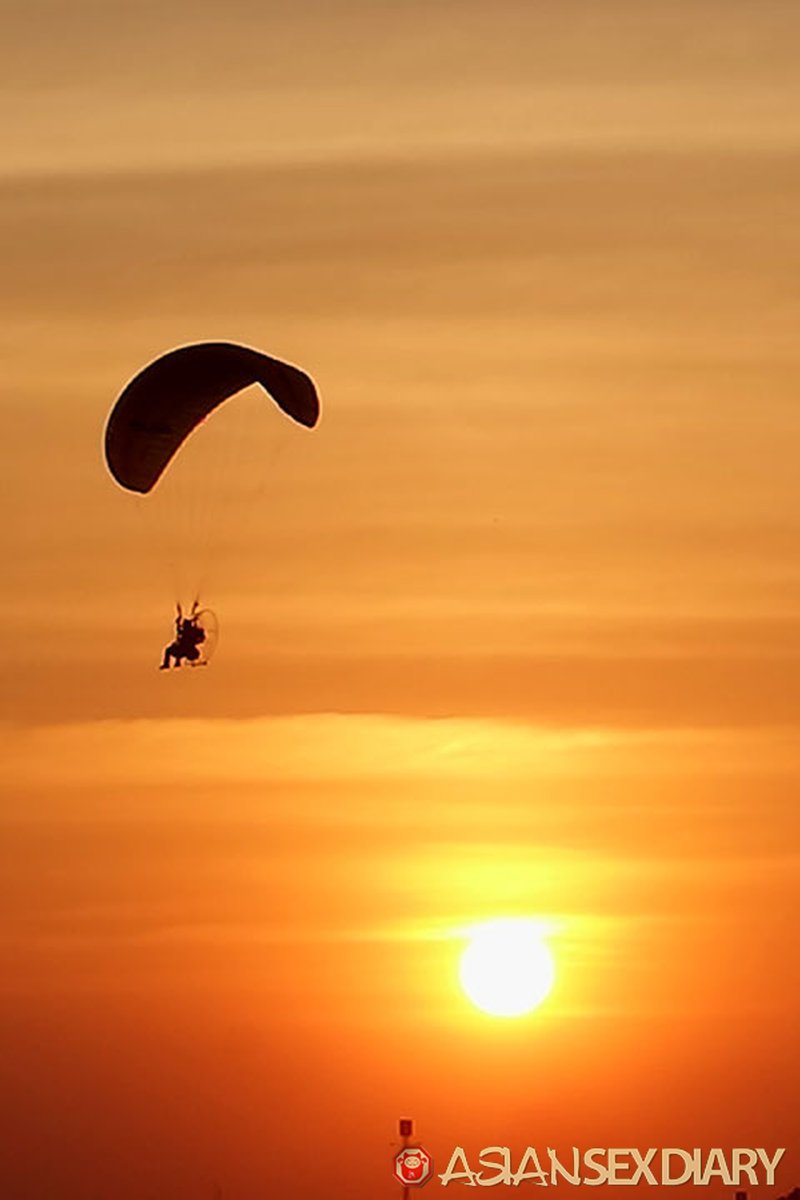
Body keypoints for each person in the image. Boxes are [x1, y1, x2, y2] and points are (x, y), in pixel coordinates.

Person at [159, 602, 206, 669]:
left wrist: (179, 617)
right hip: (184, 650)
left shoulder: (188, 631)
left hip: (185, 650)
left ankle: (169, 663)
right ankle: (175, 662)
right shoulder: (191, 630)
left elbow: (179, 629)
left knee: (169, 650)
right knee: (174, 648)